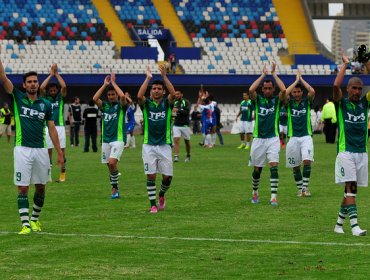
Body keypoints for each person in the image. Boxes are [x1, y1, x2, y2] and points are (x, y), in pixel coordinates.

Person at [0, 59, 64, 234]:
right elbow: (3, 77)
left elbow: (52, 129)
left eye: (35, 81)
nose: (33, 84)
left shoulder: (46, 104)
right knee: (22, 187)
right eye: (29, 82)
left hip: (41, 150)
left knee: (41, 187)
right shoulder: (17, 98)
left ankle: (34, 220)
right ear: (24, 84)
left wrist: (59, 153)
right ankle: (25, 225)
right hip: (22, 149)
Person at [333, 51, 369, 236]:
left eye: (359, 88)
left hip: (362, 152)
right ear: (348, 90)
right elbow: (335, 85)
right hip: (346, 152)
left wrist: (366, 63)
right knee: (351, 188)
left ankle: (339, 224)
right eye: (353, 88)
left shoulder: (365, 104)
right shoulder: (342, 104)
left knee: (350, 192)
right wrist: (345, 65)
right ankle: (355, 227)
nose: (356, 91)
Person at [137, 64, 176, 213]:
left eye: (159, 88)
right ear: (151, 91)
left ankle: (161, 194)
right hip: (149, 145)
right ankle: (152, 204)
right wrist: (148, 79)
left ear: (163, 91)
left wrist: (164, 76)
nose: (156, 90)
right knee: (151, 175)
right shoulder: (146, 104)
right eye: (154, 88)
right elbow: (139, 96)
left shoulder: (167, 103)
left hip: (165, 145)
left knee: (167, 178)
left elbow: (173, 94)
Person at [248, 62, 286, 206]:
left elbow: (284, 90)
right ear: (262, 90)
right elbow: (251, 89)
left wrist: (274, 74)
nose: (268, 90)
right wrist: (263, 74)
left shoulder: (277, 101)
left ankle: (273, 196)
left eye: (270, 88)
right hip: (258, 139)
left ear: (273, 89)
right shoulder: (257, 101)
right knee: (257, 170)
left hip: (273, 139)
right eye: (266, 88)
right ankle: (255, 192)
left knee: (274, 166)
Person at [93, 73, 127, 199]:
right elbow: (95, 98)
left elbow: (123, 96)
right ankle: (115, 188)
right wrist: (105, 85)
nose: (111, 96)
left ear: (116, 95)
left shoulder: (121, 106)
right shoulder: (105, 106)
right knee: (109, 165)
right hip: (106, 140)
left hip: (118, 139)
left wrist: (113, 83)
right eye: (109, 95)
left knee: (112, 163)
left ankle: (114, 188)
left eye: (113, 94)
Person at [284, 70, 315, 197]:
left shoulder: (307, 102)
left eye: (298, 91)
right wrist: (295, 81)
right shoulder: (289, 104)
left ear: (302, 93)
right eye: (294, 92)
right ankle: (300, 188)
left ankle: (305, 188)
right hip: (293, 138)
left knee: (307, 161)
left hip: (306, 137)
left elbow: (312, 91)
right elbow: (284, 93)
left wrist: (301, 79)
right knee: (295, 166)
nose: (296, 94)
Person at [40, 63, 67, 182]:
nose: (52, 91)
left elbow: (64, 86)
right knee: (48, 151)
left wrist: (56, 74)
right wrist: (51, 75)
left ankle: (62, 175)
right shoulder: (45, 98)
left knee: (62, 151)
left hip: (60, 127)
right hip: (48, 127)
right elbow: (41, 88)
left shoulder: (60, 98)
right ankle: (48, 175)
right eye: (50, 90)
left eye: (54, 90)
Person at [173, 90, 191, 162]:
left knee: (187, 142)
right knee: (176, 140)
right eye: (176, 94)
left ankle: (188, 155)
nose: (176, 95)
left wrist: (178, 110)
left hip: (185, 125)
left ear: (181, 95)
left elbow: (187, 112)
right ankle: (176, 156)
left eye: (178, 94)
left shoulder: (186, 102)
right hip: (176, 124)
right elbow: (172, 111)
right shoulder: (175, 102)